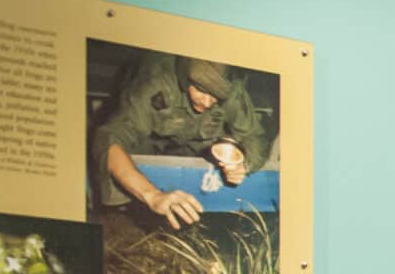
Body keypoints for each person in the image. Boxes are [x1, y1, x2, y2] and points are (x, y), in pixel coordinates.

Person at [90, 53, 275, 230]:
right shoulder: (155, 83)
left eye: (216, 96)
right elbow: (108, 138)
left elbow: (255, 136)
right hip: (149, 143)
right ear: (186, 79)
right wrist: (152, 196)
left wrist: (243, 164)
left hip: (200, 144)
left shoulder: (233, 92)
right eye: (202, 90)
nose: (208, 102)